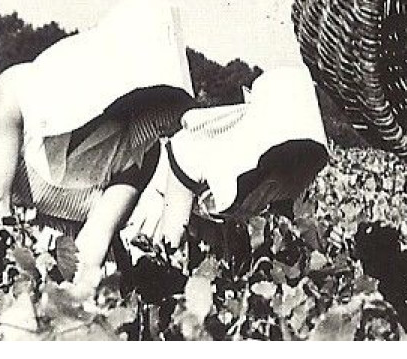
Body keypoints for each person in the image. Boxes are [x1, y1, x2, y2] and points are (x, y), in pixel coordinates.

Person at [0, 0, 196, 283]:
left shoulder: (139, 153)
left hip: (74, 259)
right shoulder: (18, 92)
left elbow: (91, 248)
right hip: (10, 251)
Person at [122, 63, 331, 254]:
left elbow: (292, 226)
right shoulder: (202, 152)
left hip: (212, 219)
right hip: (168, 196)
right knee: (163, 256)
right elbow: (173, 231)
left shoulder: (293, 174)